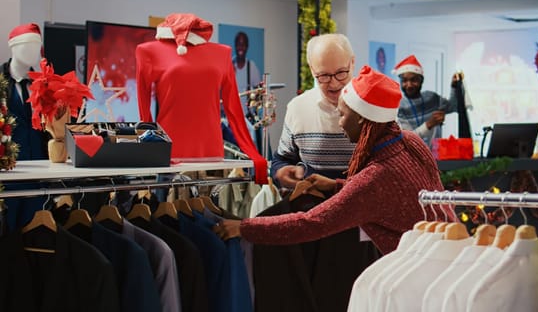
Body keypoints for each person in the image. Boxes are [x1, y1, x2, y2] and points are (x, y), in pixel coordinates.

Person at [220, 65, 452, 254]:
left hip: (416, 270)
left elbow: (311, 223)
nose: (340, 122)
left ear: (362, 119)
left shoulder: (374, 178)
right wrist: (336, 186)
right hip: (448, 248)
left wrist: (244, 227)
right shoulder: (410, 141)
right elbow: (392, 197)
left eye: (342, 115)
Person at [135, 13, 267, 183]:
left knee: (208, 203)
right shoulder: (148, 51)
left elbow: (232, 105)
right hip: (169, 148)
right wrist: (150, 144)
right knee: (166, 205)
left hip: (210, 147)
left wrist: (251, 151)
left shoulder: (222, 53)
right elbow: (143, 105)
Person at [270, 33, 357, 189]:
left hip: (363, 209)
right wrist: (281, 172)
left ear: (352, 62)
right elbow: (281, 159)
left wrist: (335, 186)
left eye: (341, 72)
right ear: (311, 69)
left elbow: (388, 171)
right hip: (311, 208)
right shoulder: (298, 107)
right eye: (323, 75)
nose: (334, 83)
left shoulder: (374, 108)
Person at [1, 23, 48, 160]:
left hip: (42, 165)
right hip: (10, 168)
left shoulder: (43, 85)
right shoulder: (1, 83)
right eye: (27, 46)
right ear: (13, 47)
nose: (33, 52)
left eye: (36, 47)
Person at [394, 54, 458, 146]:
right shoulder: (399, 107)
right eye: (404, 81)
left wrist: (454, 87)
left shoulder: (432, 98)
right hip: (413, 158)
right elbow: (407, 139)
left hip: (435, 156)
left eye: (413, 80)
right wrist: (429, 124)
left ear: (421, 80)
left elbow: (454, 106)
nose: (409, 85)